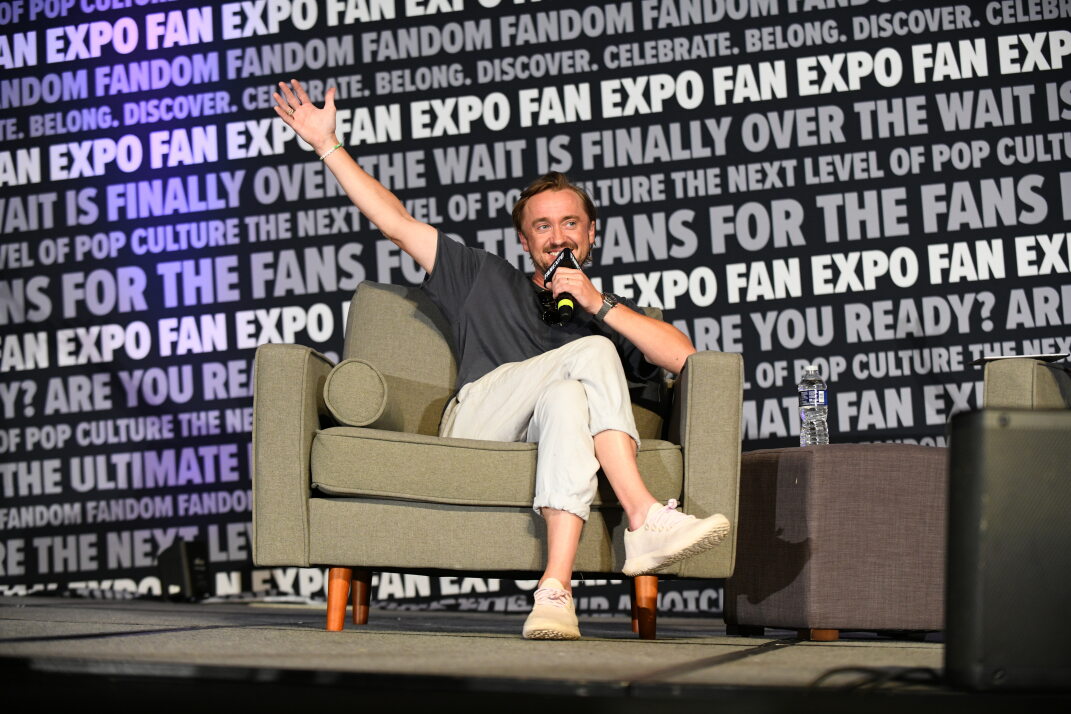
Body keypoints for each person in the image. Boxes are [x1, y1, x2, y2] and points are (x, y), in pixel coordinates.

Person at [273, 79, 730, 640]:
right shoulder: (480, 276)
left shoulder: (609, 315)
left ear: (591, 235)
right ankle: (643, 515)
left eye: (569, 224)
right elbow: (393, 221)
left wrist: (598, 303)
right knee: (589, 353)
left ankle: (554, 592)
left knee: (568, 396)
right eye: (542, 226)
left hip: (557, 430)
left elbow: (688, 362)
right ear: (524, 240)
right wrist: (328, 145)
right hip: (481, 422)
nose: (556, 235)